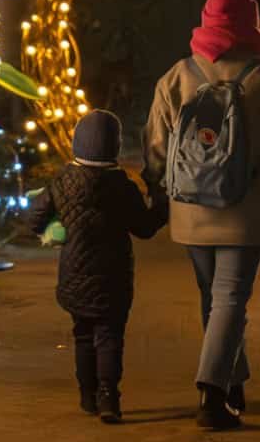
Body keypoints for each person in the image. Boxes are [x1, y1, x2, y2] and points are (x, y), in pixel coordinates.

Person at [144, 0, 260, 430]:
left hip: (190, 209)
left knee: (213, 295)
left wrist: (157, 194)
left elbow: (156, 146)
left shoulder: (178, 76)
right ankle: (212, 393)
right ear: (252, 26)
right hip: (248, 210)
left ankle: (232, 379)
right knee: (231, 297)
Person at [27, 109, 167, 424]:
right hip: (113, 277)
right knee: (110, 336)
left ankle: (87, 395)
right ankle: (109, 397)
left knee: (82, 335)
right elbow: (143, 228)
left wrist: (54, 229)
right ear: (114, 147)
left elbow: (34, 218)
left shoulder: (63, 180)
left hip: (74, 276)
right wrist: (162, 207)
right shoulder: (121, 185)